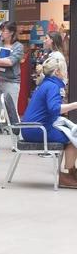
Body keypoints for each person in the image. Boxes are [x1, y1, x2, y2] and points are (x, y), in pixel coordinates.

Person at [21, 57, 77, 188]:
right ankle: (69, 175)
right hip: (39, 130)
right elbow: (54, 109)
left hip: (31, 128)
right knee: (73, 137)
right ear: (57, 72)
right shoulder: (53, 86)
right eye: (64, 70)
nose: (66, 73)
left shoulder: (45, 84)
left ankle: (71, 172)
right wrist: (75, 105)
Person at [0, 21, 24, 149]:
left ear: (12, 32)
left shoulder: (18, 46)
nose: (2, 33)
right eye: (1, 30)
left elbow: (10, 62)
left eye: (4, 30)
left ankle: (16, 141)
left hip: (11, 82)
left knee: (12, 112)